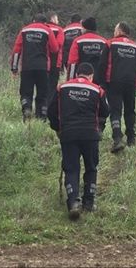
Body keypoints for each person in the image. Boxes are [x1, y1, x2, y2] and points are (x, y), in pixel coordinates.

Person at [47, 62, 109, 220]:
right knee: (91, 168)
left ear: (77, 74)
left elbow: (51, 110)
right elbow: (106, 111)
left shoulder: (62, 88)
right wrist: (99, 128)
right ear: (91, 76)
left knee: (71, 169)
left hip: (68, 134)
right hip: (90, 135)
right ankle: (89, 203)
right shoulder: (97, 90)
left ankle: (73, 202)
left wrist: (58, 129)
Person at [105, 21, 136, 151]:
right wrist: (134, 76)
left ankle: (117, 138)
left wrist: (101, 82)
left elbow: (102, 64)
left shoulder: (110, 44)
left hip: (113, 82)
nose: (114, 32)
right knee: (130, 111)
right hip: (130, 83)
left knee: (115, 111)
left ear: (119, 31)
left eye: (115, 30)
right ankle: (131, 138)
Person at [10, 13, 60, 122]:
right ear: (45, 22)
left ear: (33, 21)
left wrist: (14, 68)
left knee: (26, 92)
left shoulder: (24, 30)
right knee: (42, 93)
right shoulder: (47, 30)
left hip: (27, 67)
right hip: (42, 68)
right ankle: (41, 116)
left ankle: (27, 108)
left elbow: (16, 50)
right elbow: (55, 49)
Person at [67, 17, 108, 85]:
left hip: (81, 78)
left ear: (85, 28)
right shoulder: (104, 42)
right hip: (98, 79)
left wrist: (70, 80)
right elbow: (106, 62)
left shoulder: (77, 41)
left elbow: (72, 63)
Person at [44, 12, 64, 120]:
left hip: (44, 62)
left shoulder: (43, 29)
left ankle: (42, 108)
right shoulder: (59, 30)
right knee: (52, 87)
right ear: (53, 19)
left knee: (44, 86)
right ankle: (49, 109)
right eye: (57, 19)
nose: (58, 21)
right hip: (55, 63)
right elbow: (59, 44)